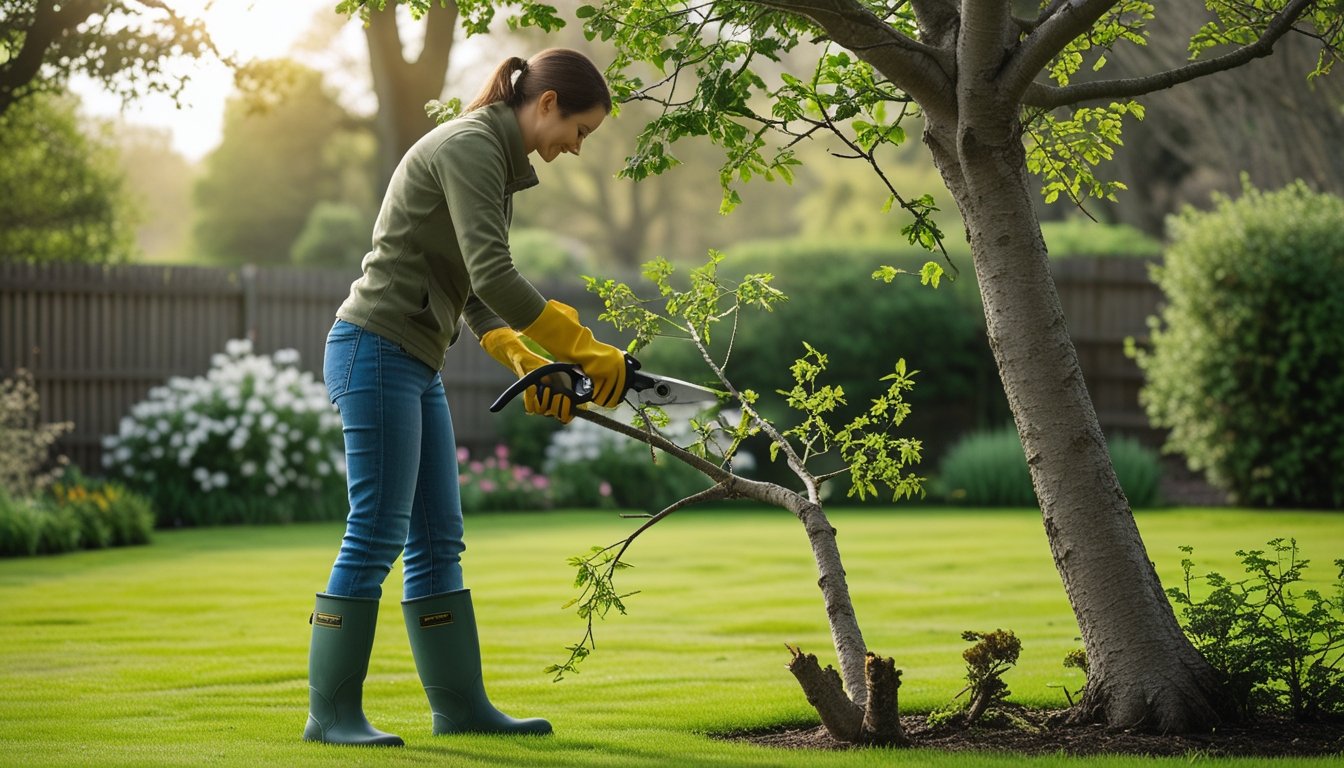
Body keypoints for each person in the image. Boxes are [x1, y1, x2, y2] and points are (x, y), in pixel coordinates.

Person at [302, 48, 628, 747]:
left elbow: (473, 286)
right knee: (378, 532)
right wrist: (578, 346)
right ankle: (329, 716)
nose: (575, 148)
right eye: (580, 131)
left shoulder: (495, 162)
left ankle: (460, 708)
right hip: (376, 348)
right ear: (547, 104)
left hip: (412, 358)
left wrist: (513, 349)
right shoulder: (470, 146)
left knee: (437, 539)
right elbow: (495, 271)